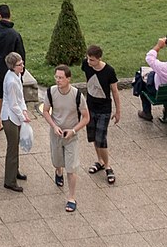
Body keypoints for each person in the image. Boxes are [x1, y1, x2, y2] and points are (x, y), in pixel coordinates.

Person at [41, 65, 89, 213]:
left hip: (71, 136)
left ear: (69, 79)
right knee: (57, 161)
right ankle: (58, 171)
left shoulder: (77, 96)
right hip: (56, 134)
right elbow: (45, 111)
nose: (58, 80)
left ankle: (71, 197)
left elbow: (86, 118)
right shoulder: (51, 92)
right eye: (56, 77)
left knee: (72, 168)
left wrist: (74, 130)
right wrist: (54, 126)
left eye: (61, 78)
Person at [82, 45, 120, 184]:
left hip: (104, 108)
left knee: (101, 138)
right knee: (93, 136)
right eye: (88, 59)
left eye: (92, 60)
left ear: (99, 59)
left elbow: (115, 91)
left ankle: (108, 166)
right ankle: (100, 161)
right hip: (90, 107)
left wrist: (118, 111)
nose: (89, 62)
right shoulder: (86, 65)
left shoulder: (109, 71)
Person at [0, 5, 25, 133]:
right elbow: (21, 54)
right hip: (12, 70)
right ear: (10, 15)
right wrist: (21, 72)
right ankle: (17, 121)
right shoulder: (15, 34)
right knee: (15, 96)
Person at [2, 52, 29, 192]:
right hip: (10, 117)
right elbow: (13, 104)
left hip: (14, 115)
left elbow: (20, 99)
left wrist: (24, 110)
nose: (22, 66)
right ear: (13, 66)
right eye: (19, 65)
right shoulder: (11, 81)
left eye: (22, 63)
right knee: (12, 148)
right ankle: (9, 181)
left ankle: (15, 171)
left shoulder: (16, 76)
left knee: (15, 145)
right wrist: (23, 116)